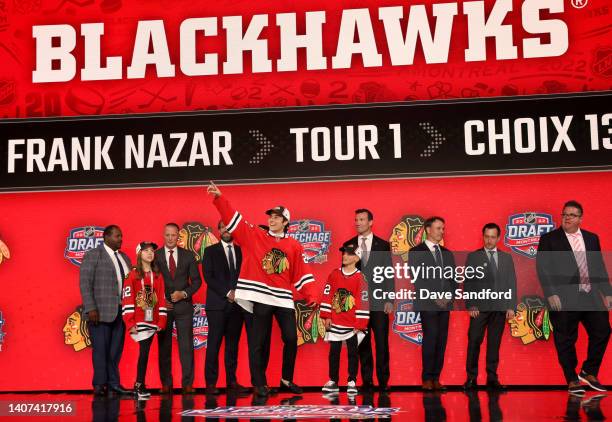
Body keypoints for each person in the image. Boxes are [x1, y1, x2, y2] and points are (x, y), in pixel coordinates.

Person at [206, 181, 319, 397]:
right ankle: (259, 383)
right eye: (271, 216)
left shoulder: (293, 246)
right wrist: (220, 198)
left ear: (286, 222)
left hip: (283, 298)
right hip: (259, 296)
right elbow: (234, 220)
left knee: (291, 338)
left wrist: (311, 294)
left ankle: (286, 379)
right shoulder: (256, 235)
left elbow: (302, 272)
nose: (272, 219)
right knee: (258, 343)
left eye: (277, 217)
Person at [536, 200, 612, 396]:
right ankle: (571, 378)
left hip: (590, 296)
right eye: (564, 214)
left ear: (580, 218)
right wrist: (551, 292)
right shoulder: (549, 239)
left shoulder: (592, 238)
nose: (567, 217)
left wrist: (608, 293)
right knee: (566, 338)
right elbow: (542, 268)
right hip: (563, 297)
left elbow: (599, 267)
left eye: (572, 215)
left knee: (603, 330)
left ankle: (589, 371)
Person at [343, 209, 394, 392]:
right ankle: (367, 381)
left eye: (362, 219)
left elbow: (389, 272)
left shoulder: (383, 245)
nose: (358, 222)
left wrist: (390, 298)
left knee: (382, 343)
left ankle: (383, 381)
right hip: (358, 304)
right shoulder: (348, 245)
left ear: (371, 222)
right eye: (356, 219)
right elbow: (345, 276)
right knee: (362, 344)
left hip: (380, 301)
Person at [80, 225, 133, 396]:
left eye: (121, 236)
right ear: (106, 237)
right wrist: (91, 307)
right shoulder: (94, 255)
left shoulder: (124, 258)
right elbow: (85, 283)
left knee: (115, 351)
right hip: (99, 312)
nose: (121, 239)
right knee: (101, 350)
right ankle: (99, 385)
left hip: (121, 311)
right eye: (117, 236)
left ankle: (113, 384)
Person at [463, 223, 517, 390]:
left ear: (498, 238)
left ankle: (492, 379)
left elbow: (511, 283)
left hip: (500, 308)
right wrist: (471, 304)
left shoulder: (507, 258)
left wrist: (511, 307)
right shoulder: (473, 257)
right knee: (474, 342)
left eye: (493, 237)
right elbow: (468, 283)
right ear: (483, 236)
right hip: (479, 308)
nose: (489, 240)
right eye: (486, 236)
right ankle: (471, 379)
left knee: (494, 344)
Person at [408, 216, 456, 391]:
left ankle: (436, 378)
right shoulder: (415, 252)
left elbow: (453, 279)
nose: (441, 231)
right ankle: (427, 378)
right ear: (428, 229)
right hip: (427, 303)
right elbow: (418, 278)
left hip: (445, 305)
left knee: (441, 341)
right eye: (438, 228)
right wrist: (435, 296)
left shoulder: (447, 253)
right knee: (431, 339)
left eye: (443, 228)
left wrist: (447, 296)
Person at [202, 221, 250, 395]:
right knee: (214, 345)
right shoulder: (210, 251)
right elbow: (208, 277)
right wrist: (227, 292)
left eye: (229, 227)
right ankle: (211, 384)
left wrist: (238, 293)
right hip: (217, 305)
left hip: (237, 306)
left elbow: (246, 275)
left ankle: (231, 381)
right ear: (219, 230)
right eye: (223, 227)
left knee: (232, 346)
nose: (226, 230)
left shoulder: (240, 251)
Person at [155, 223, 203, 394]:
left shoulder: (188, 255)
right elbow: (151, 282)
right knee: (164, 346)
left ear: (178, 236)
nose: (170, 238)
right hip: (164, 308)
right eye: (167, 235)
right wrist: (161, 301)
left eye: (173, 235)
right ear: (163, 235)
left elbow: (197, 281)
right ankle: (166, 384)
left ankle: (187, 384)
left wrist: (183, 293)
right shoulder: (155, 255)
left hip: (184, 306)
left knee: (186, 346)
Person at [320, 243, 369, 396]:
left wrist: (360, 323)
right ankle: (333, 380)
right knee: (334, 352)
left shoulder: (361, 278)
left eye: (348, 254)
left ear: (356, 258)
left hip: (352, 323)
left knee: (353, 353)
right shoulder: (334, 274)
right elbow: (327, 294)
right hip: (336, 321)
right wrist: (326, 315)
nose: (344, 256)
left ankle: (351, 380)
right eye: (344, 253)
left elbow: (363, 301)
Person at [122, 241, 168, 399]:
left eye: (152, 251)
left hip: (153, 321)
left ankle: (140, 385)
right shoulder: (132, 275)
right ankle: (138, 385)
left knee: (145, 353)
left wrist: (162, 320)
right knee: (144, 352)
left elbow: (161, 300)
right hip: (140, 320)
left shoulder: (158, 275)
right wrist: (130, 322)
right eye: (145, 250)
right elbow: (127, 299)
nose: (150, 253)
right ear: (139, 254)